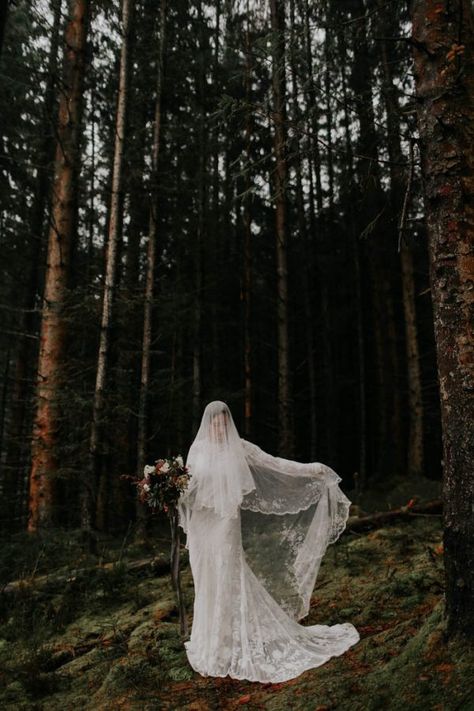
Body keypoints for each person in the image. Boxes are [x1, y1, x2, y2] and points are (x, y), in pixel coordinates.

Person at [177, 400, 359, 683]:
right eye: (215, 421)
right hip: (203, 526)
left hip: (225, 522)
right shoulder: (197, 451)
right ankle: (210, 639)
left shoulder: (240, 447)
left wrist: (312, 469)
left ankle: (227, 641)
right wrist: (167, 490)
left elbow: (275, 463)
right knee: (205, 577)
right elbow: (188, 488)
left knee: (227, 573)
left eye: (224, 420)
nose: (219, 425)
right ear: (207, 423)